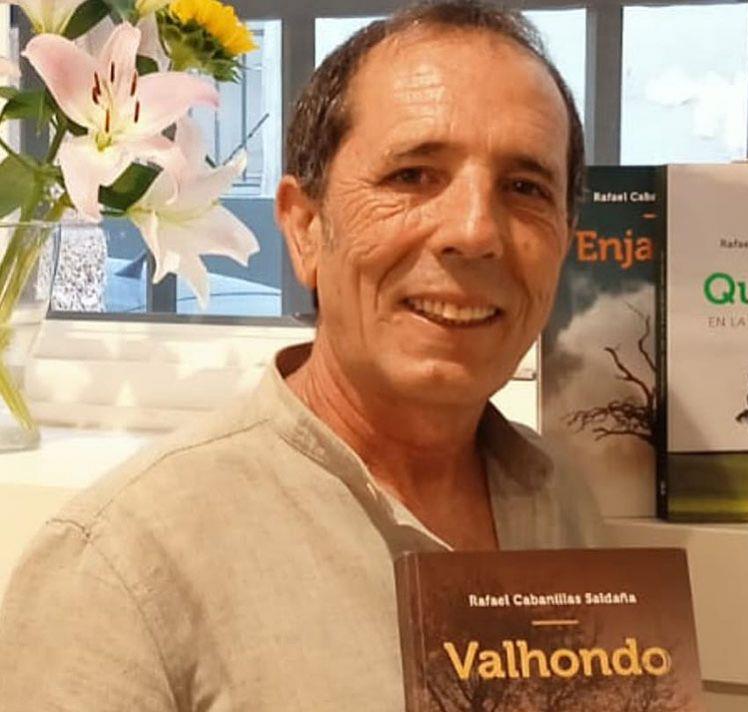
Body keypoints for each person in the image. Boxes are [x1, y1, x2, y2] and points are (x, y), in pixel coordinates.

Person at [0, 1, 604, 709]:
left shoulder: (566, 506)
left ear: (564, 241)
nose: (474, 231)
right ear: (305, 228)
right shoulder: (120, 566)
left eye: (525, 188)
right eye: (413, 176)